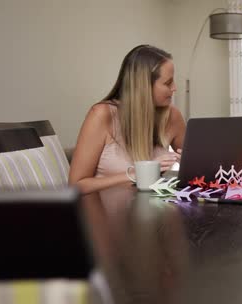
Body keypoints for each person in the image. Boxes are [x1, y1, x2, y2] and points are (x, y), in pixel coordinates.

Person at [69, 45, 186, 194]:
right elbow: (75, 186)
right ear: (143, 86)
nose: (175, 88)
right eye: (167, 83)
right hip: (107, 213)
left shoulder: (172, 116)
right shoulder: (102, 115)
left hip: (153, 212)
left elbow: (199, 169)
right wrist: (136, 174)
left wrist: (191, 164)